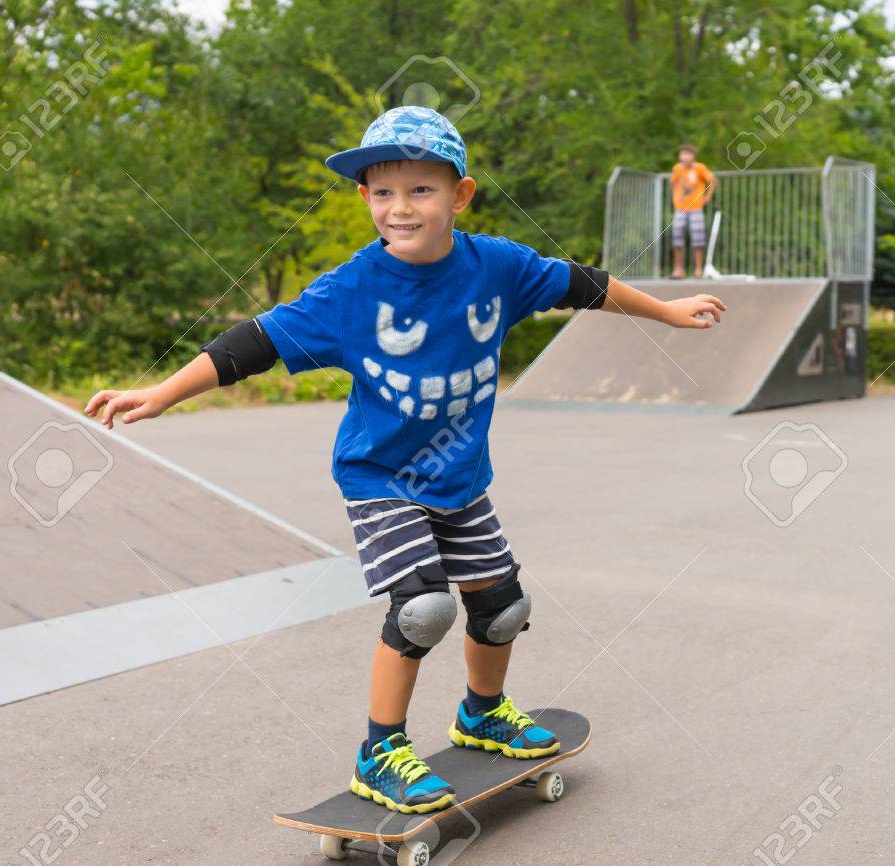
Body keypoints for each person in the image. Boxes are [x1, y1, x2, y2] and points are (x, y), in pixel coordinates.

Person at [84, 106, 726, 815]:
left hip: (459, 480)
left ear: (461, 195)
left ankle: (482, 714)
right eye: (383, 192)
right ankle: (380, 750)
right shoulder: (350, 291)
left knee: (503, 606)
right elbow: (251, 344)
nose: (400, 207)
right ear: (364, 198)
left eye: (421, 190)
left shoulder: (500, 268)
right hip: (380, 479)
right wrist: (164, 393)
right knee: (422, 607)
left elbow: (583, 284)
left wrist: (667, 312)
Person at [670, 143, 717, 279]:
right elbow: (673, 182)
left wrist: (707, 197)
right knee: (677, 239)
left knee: (698, 239)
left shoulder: (700, 168)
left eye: (688, 154)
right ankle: (678, 270)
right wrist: (676, 198)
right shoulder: (677, 168)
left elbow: (713, 180)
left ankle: (698, 270)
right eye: (683, 154)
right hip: (680, 209)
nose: (685, 157)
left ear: (693, 156)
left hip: (696, 208)